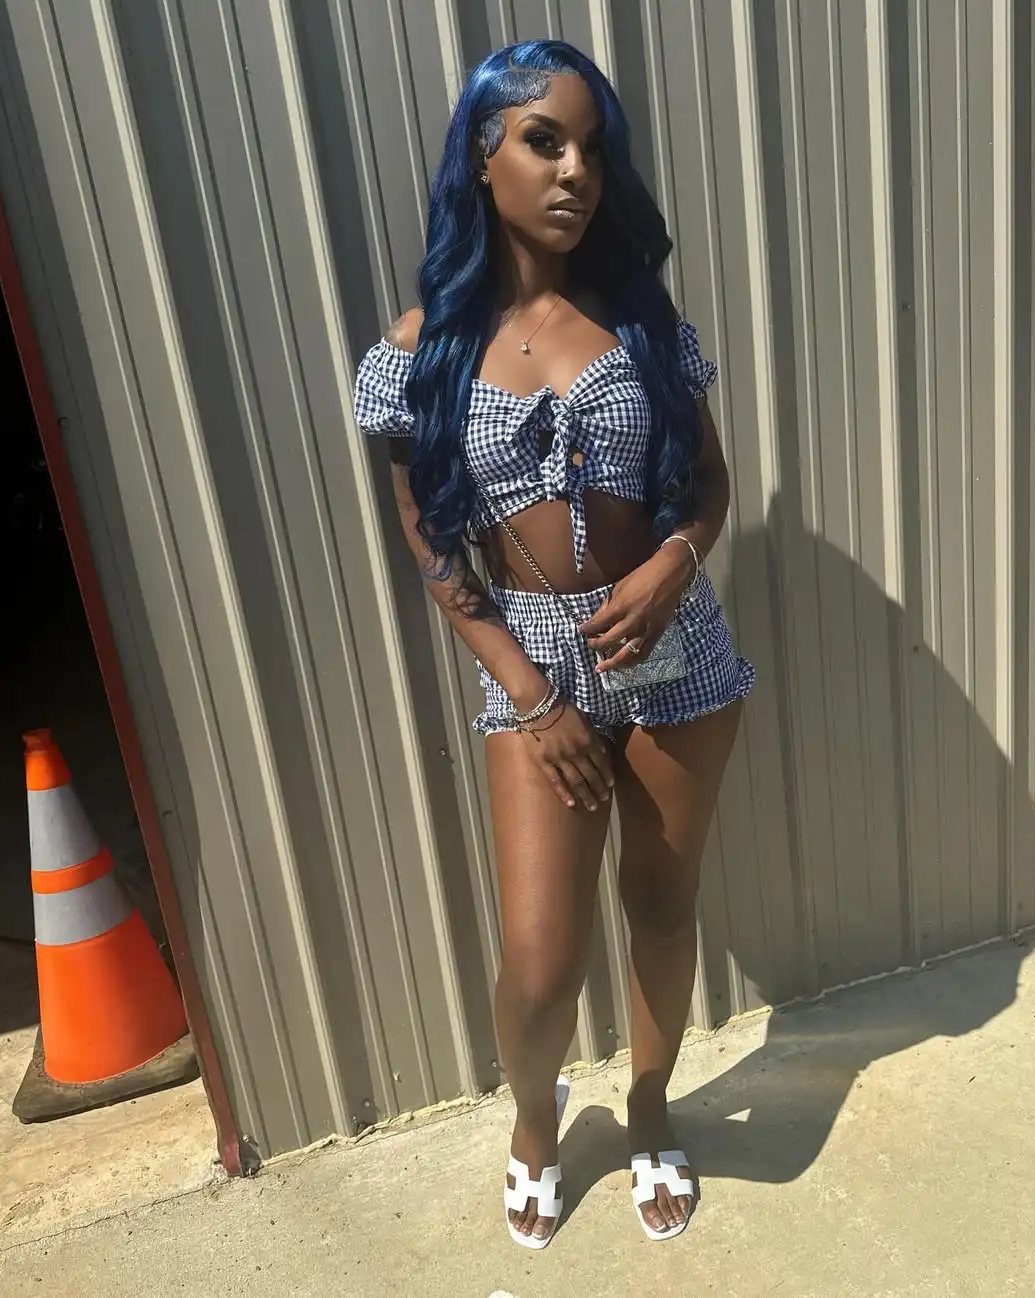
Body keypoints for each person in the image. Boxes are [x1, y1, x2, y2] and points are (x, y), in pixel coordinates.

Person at [353, 39, 753, 1249]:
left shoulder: (640, 320)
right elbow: (436, 552)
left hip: (676, 655)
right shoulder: (421, 353)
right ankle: (537, 1120)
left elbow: (711, 482)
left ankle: (649, 1107)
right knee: (538, 960)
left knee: (662, 905)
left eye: (592, 148)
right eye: (544, 141)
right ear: (483, 159)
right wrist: (533, 696)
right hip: (533, 667)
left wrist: (673, 562)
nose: (575, 170)